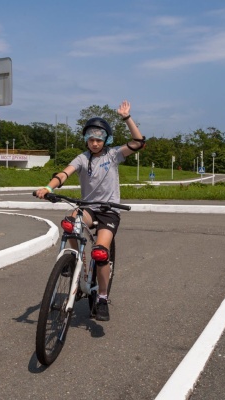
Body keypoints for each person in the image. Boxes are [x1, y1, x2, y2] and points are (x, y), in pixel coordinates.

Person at [35, 100, 145, 321]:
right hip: (88, 208)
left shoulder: (113, 155)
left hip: (109, 211)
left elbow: (138, 142)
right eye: (91, 139)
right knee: (69, 222)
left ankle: (102, 298)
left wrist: (126, 118)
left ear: (106, 140)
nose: (95, 143)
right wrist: (48, 188)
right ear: (86, 139)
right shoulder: (82, 158)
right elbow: (64, 173)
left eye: (99, 139)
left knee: (100, 252)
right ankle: (73, 259)